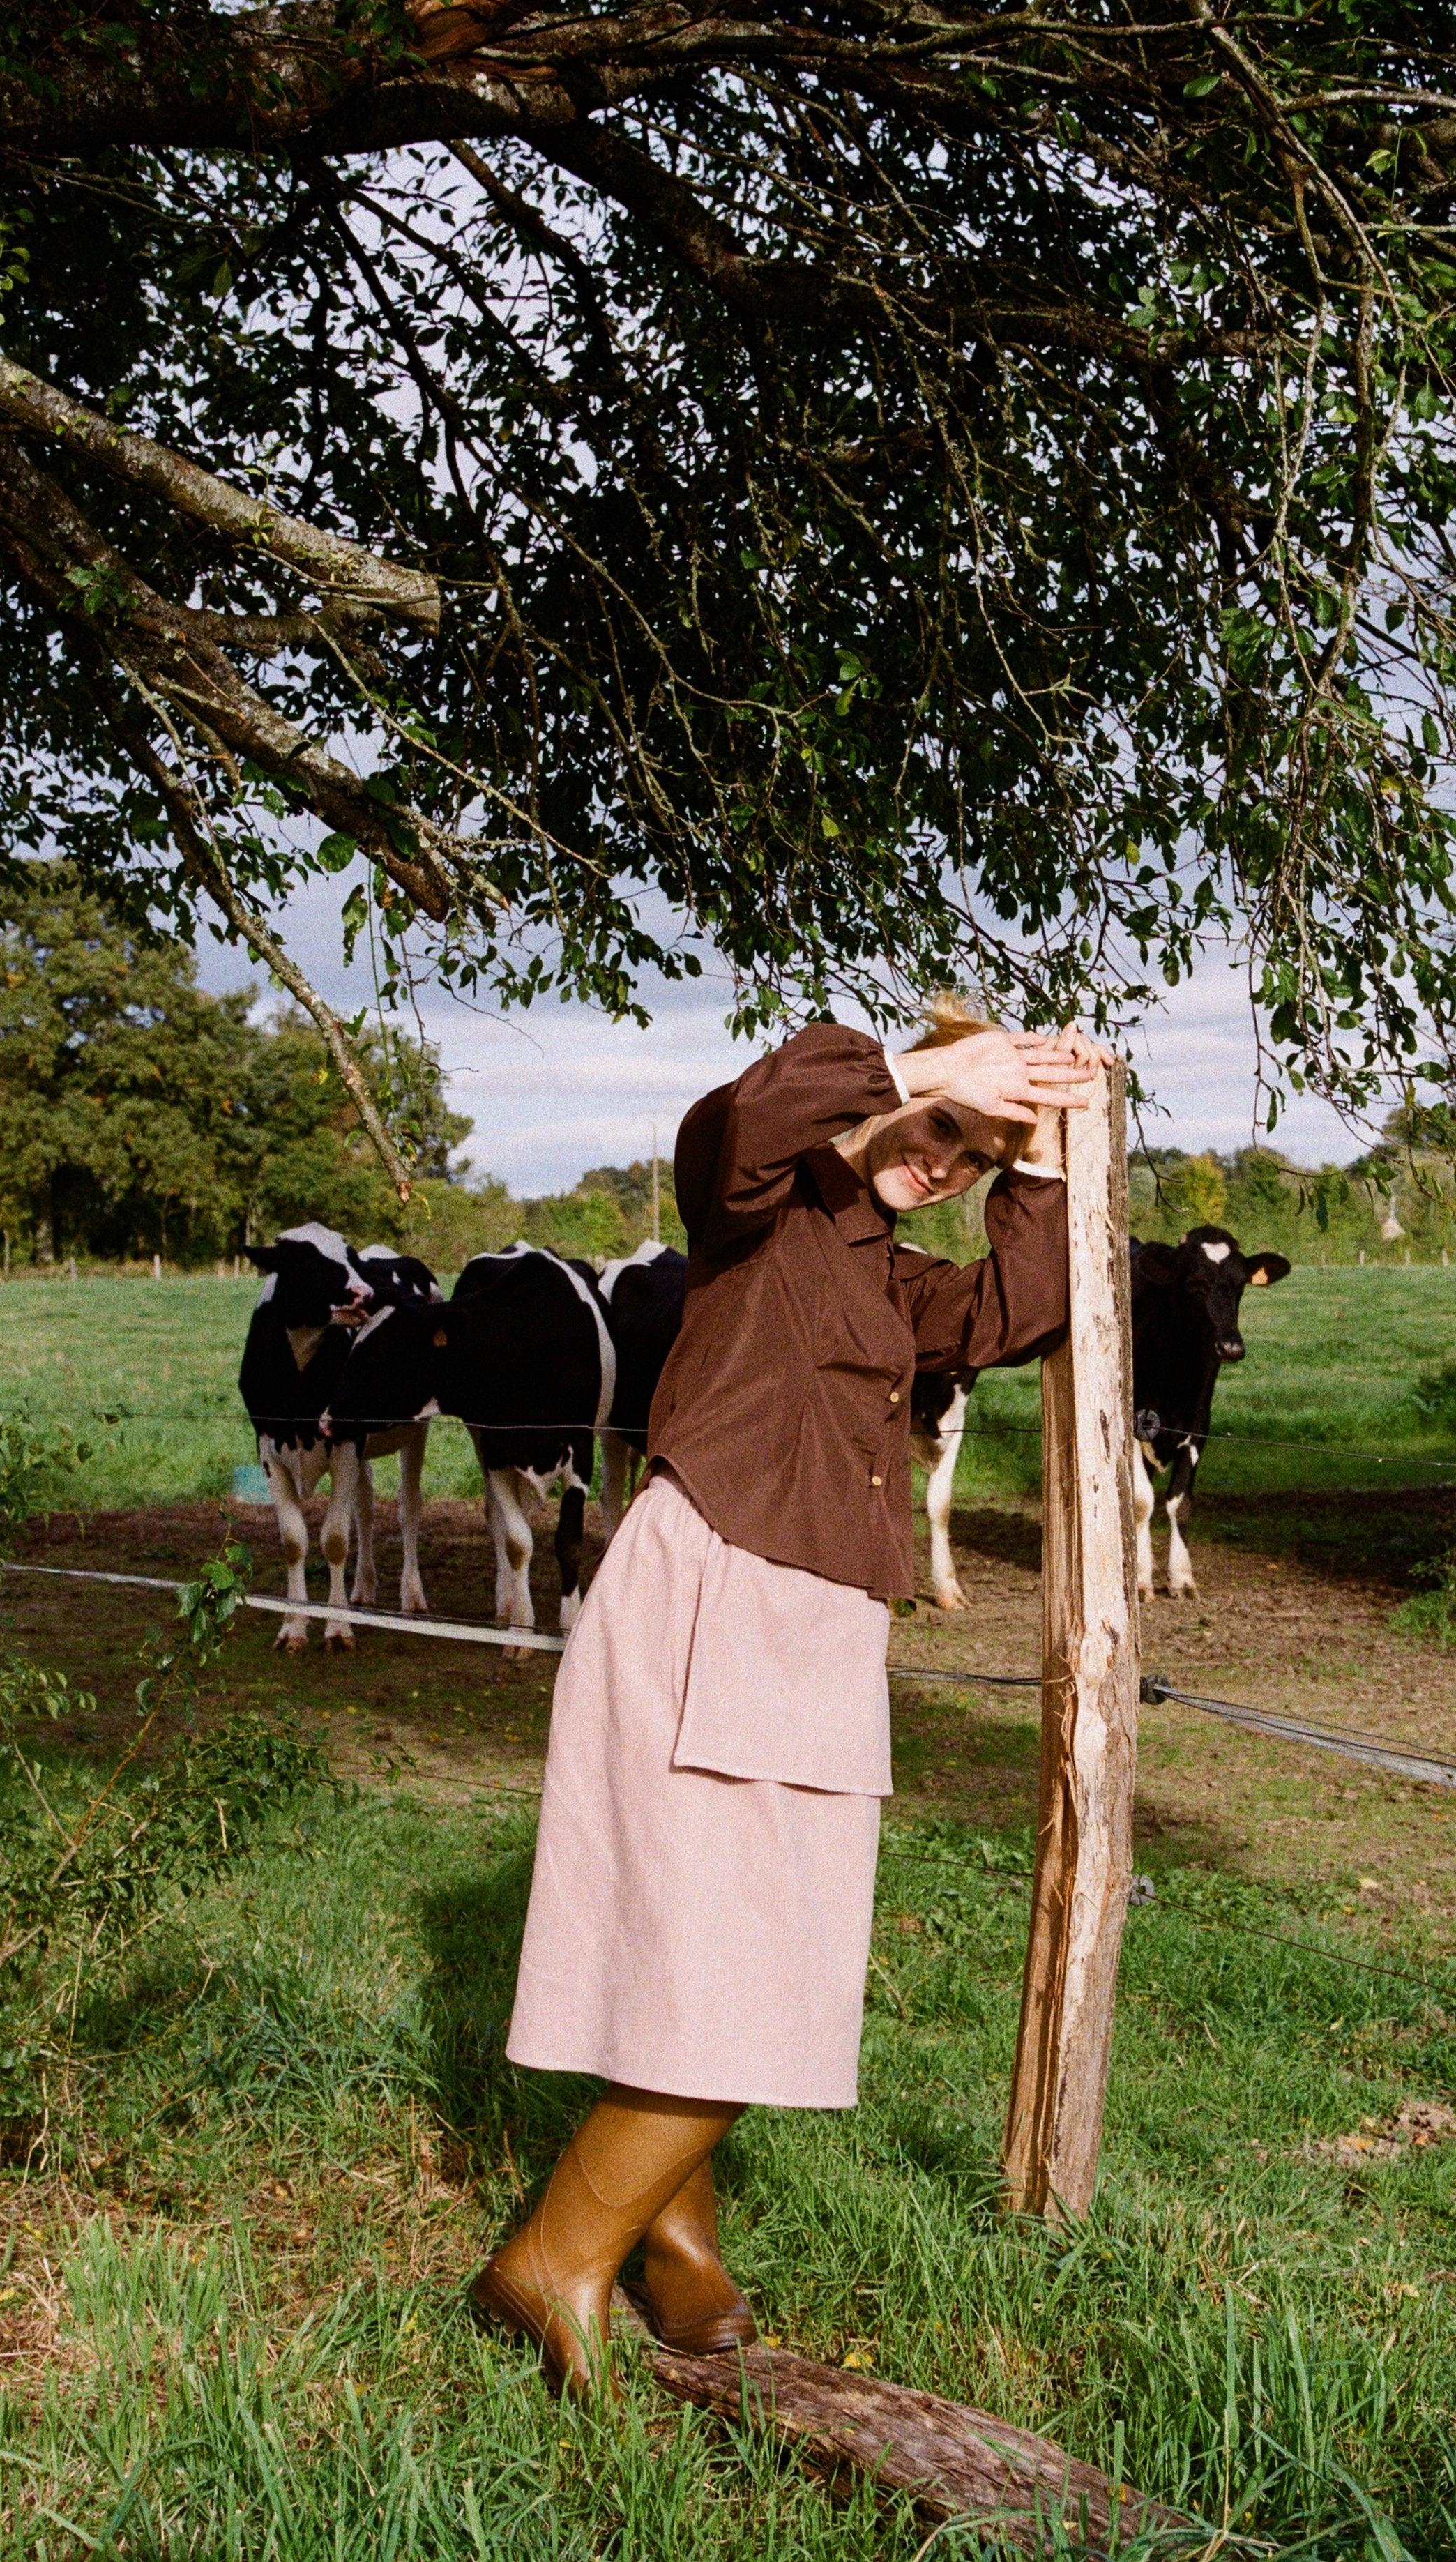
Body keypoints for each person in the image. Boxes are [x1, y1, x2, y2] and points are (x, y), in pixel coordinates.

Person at [472, 1006, 1103, 2391]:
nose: (946, 1163)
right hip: (721, 1586)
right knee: (744, 1957)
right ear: (890, 1099)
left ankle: (666, 2234)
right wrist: (936, 1070)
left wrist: (1039, 1151)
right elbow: (743, 1116)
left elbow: (1018, 1309)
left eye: (973, 1155)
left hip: (810, 1619)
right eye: (942, 1132)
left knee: (728, 1946)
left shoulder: (889, 1277)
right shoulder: (759, 1204)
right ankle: (551, 2258)